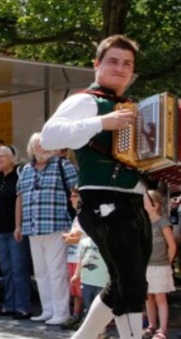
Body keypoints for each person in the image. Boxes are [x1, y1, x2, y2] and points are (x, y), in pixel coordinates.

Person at [41, 35, 150, 339]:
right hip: (103, 200)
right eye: (113, 61)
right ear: (97, 65)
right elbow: (48, 137)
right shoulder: (86, 100)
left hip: (131, 201)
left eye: (127, 63)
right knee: (131, 285)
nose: (121, 68)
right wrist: (102, 122)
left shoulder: (126, 106)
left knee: (122, 283)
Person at [14, 132, 77, 325]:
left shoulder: (62, 165)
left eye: (45, 144)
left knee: (56, 271)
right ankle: (48, 310)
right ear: (32, 149)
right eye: (37, 145)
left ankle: (62, 312)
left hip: (56, 225)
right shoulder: (25, 170)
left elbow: (77, 192)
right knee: (40, 272)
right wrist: (18, 225)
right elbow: (20, 197)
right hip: (32, 228)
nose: (41, 148)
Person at [0, 145, 32, 319]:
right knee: (6, 268)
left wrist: (19, 225)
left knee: (19, 268)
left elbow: (20, 200)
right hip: (0, 228)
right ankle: (8, 305)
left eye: (3, 156)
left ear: (13, 158)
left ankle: (23, 307)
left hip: (15, 229)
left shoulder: (19, 174)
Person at [142, 190, 177, 339]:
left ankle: (162, 329)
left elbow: (172, 246)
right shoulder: (143, 223)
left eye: (145, 201)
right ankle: (151, 325)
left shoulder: (163, 222)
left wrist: (167, 262)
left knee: (160, 298)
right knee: (148, 297)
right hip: (146, 266)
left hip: (160, 267)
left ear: (155, 205)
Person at [71, 235, 109, 333]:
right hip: (86, 280)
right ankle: (90, 331)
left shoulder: (107, 241)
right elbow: (80, 259)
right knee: (88, 307)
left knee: (100, 308)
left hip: (102, 281)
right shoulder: (84, 242)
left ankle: (101, 331)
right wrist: (76, 275)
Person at [61, 189, 85, 331]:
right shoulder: (76, 218)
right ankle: (76, 315)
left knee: (83, 289)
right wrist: (69, 236)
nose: (71, 199)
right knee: (75, 290)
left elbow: (75, 238)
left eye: (75, 196)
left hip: (81, 258)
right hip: (72, 257)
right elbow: (72, 236)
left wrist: (66, 236)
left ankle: (85, 316)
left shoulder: (84, 217)